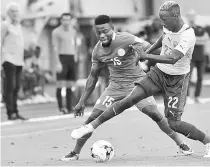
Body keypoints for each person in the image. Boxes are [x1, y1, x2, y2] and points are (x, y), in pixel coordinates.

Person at [71, 1, 210, 158]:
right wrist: (148, 52)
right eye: (161, 19)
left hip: (176, 80)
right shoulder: (168, 27)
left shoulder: (187, 35)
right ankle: (89, 128)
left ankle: (209, 141)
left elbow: (173, 59)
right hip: (157, 74)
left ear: (176, 16)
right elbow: (163, 39)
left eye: (165, 19)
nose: (162, 23)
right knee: (130, 99)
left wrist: (145, 55)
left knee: (173, 123)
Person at [61, 14, 193, 161]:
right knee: (92, 118)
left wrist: (172, 54)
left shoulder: (127, 39)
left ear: (113, 29)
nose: (102, 35)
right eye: (98, 32)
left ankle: (181, 144)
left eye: (105, 31)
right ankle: (75, 152)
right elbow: (93, 77)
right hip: (115, 86)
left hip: (138, 83)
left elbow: (149, 48)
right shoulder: (97, 51)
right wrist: (82, 101)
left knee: (154, 114)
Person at [1, 2, 27, 120]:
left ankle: (15, 111)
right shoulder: (4, 25)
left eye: (16, 11)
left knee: (16, 87)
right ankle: (10, 112)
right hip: (8, 59)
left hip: (18, 60)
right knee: (10, 87)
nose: (15, 13)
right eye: (12, 11)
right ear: (8, 13)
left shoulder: (18, 26)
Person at [52, 13, 77, 114]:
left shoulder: (73, 31)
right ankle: (61, 107)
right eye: (64, 20)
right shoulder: (56, 32)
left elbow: (74, 44)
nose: (66, 22)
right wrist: (57, 62)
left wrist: (75, 55)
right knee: (60, 84)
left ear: (70, 21)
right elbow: (54, 47)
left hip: (71, 58)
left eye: (68, 20)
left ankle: (69, 107)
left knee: (70, 84)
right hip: (61, 58)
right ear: (61, 21)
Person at [186, 10, 209, 103]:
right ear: (188, 17)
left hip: (201, 57)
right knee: (187, 77)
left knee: (200, 77)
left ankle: (197, 96)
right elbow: (189, 41)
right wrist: (198, 40)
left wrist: (195, 39)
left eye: (193, 15)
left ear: (195, 16)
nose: (192, 17)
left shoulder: (200, 28)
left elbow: (205, 39)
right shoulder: (185, 28)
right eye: (190, 16)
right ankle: (187, 97)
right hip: (190, 57)